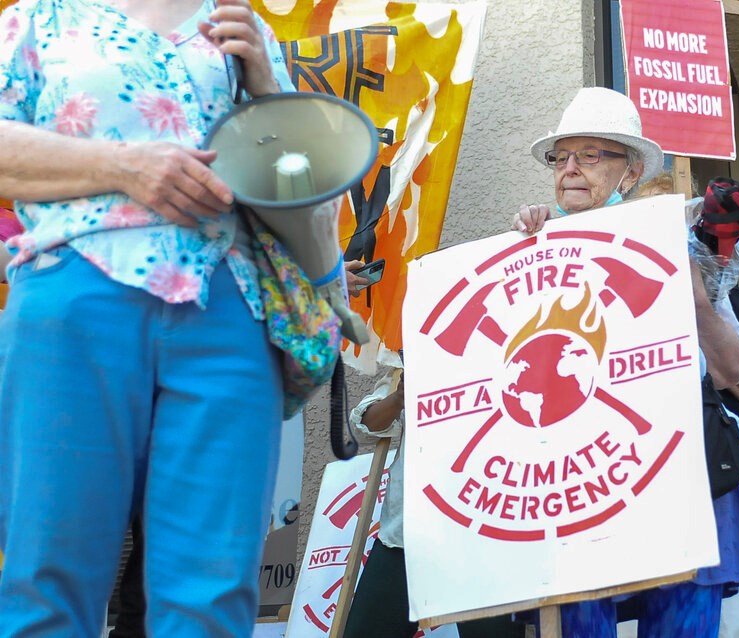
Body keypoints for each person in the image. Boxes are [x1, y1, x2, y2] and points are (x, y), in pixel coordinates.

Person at [0, 1, 296, 635]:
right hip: (73, 294)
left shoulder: (246, 25)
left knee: (212, 598)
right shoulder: (38, 19)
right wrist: (121, 166)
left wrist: (267, 90)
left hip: (228, 305)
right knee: (47, 579)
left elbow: (304, 180)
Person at [513, 86, 739, 638]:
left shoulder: (671, 230)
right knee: (579, 624)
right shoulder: (535, 242)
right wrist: (525, 249)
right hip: (581, 474)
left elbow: (722, 327)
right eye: (561, 157)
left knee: (681, 624)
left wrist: (704, 250)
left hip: (676, 465)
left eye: (590, 155)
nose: (569, 169)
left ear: (629, 173)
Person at [633, 171, 739, 638]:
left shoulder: (732, 301)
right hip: (649, 474)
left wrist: (714, 336)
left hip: (730, 467)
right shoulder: (624, 300)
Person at [342, 367, 526, 638]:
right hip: (409, 532)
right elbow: (369, 421)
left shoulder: (509, 356)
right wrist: (399, 398)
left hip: (486, 534)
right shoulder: (424, 349)